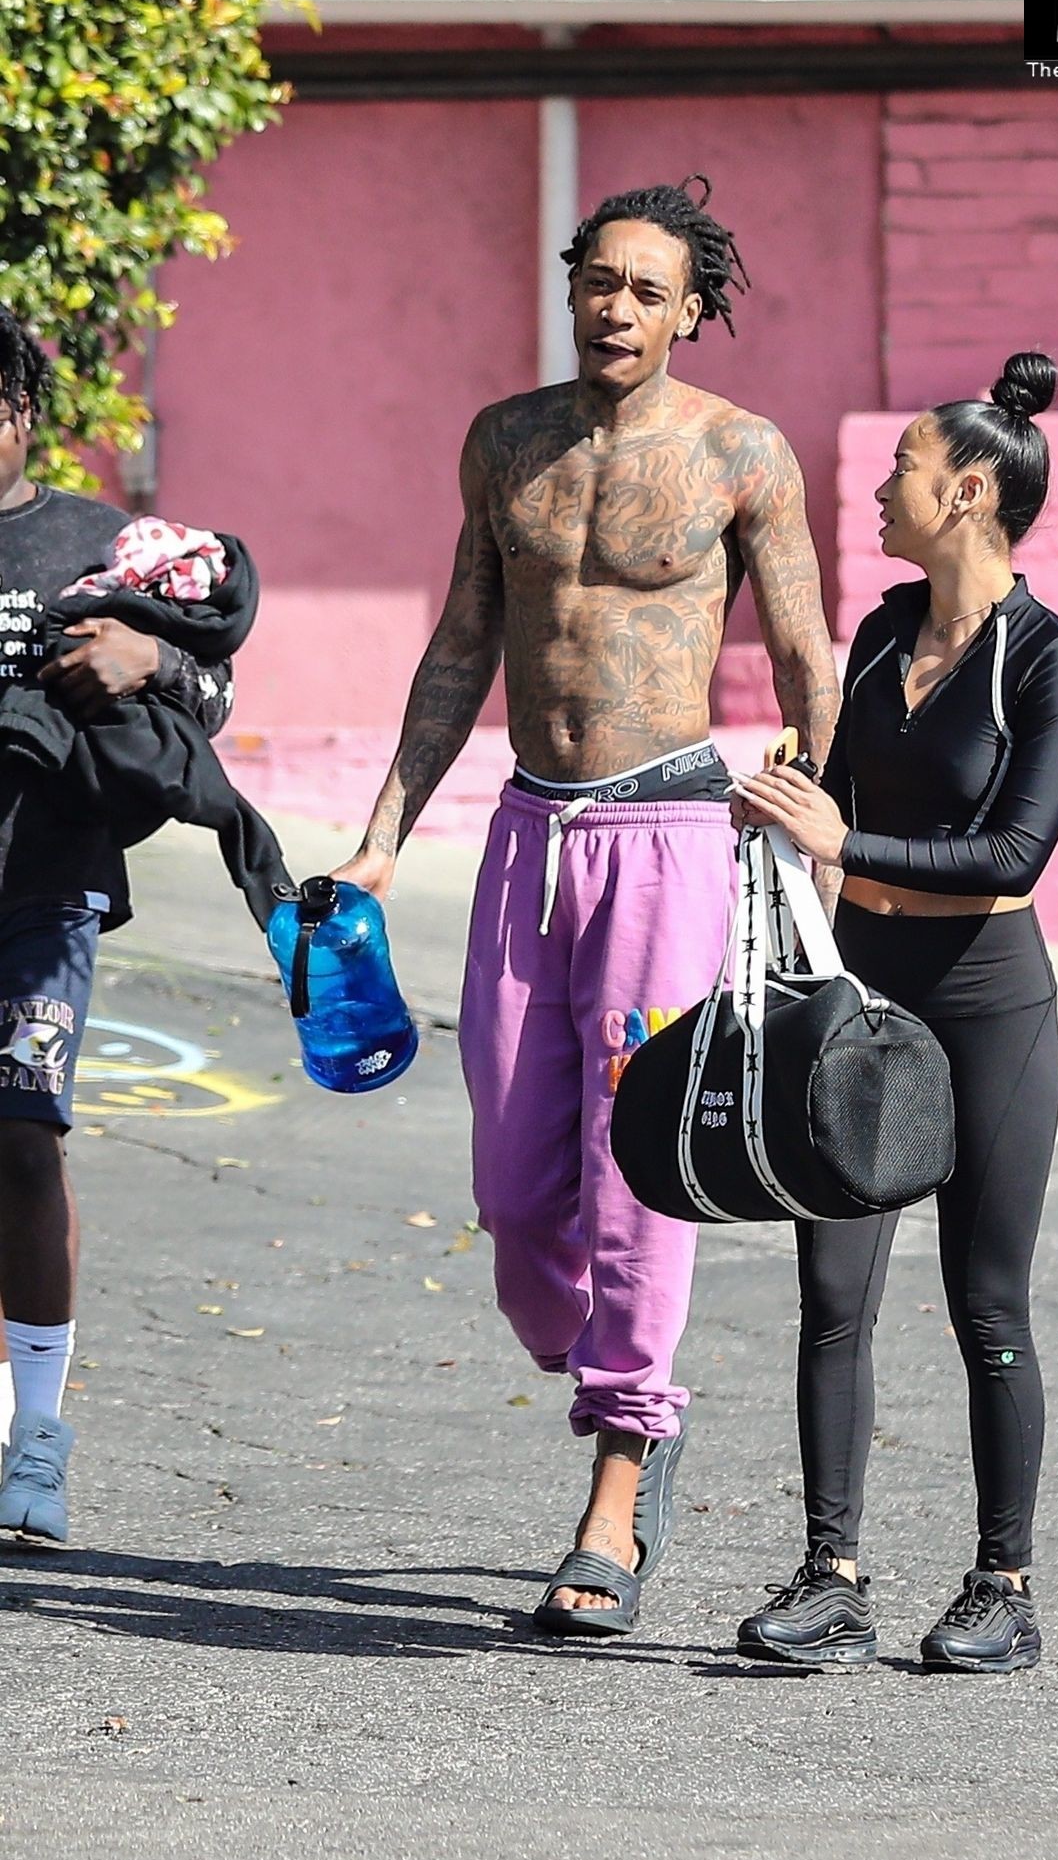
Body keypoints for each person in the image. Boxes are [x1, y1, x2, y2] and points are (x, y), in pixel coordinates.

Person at [335, 179, 839, 1636]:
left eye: (645, 290)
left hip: (672, 834)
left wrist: (813, 830)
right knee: (513, 1189)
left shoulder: (742, 451)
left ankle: (620, 1467)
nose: (616, 307)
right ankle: (625, 1375)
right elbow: (460, 644)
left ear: (689, 312)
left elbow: (805, 656)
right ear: (573, 289)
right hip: (529, 834)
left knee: (637, 1167)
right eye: (597, 281)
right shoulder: (507, 441)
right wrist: (381, 839)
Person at [732, 352, 1058, 1673]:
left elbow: (1014, 853)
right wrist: (792, 793)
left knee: (984, 1304)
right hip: (864, 991)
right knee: (831, 1294)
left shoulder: (1051, 662)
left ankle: (1003, 1584)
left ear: (969, 492)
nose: (881, 489)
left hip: (988, 1003)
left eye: (902, 468)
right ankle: (831, 1574)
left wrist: (846, 839)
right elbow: (836, 789)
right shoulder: (886, 629)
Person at [0, 307, 234, 1543]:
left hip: (45, 889)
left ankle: (37, 1434)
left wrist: (148, 661)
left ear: (24, 415)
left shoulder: (99, 544)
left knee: (22, 1137)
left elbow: (214, 688)